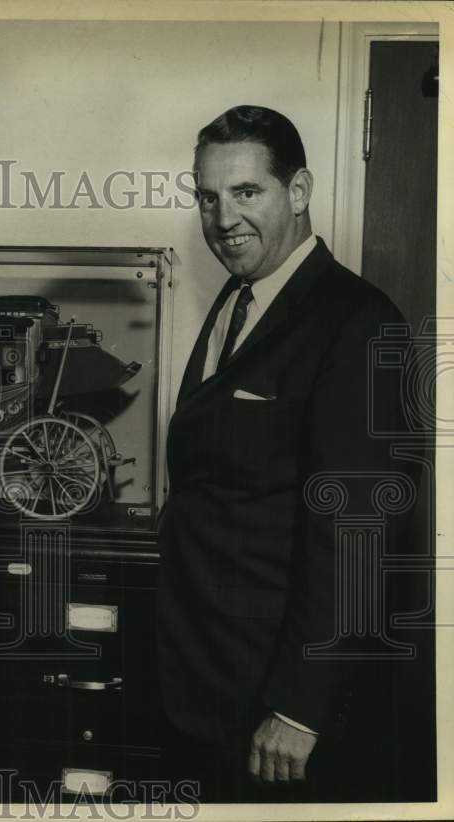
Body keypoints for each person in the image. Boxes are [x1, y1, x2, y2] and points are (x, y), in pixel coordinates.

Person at [157, 105, 414, 802]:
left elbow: (358, 532)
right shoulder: (241, 299)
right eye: (208, 197)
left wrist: (302, 706)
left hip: (277, 708)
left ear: (297, 192)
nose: (223, 218)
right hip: (204, 681)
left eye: (247, 193)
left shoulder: (356, 322)